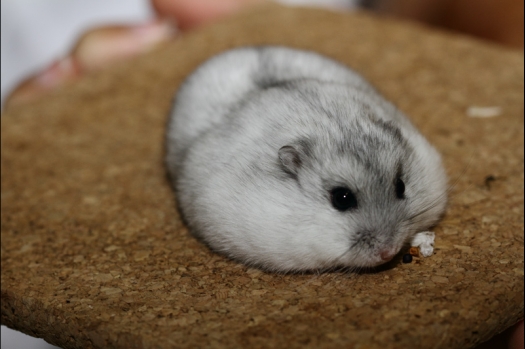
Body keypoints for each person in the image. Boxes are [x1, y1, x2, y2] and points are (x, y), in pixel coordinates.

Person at [2, 1, 523, 349]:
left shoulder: (381, 119)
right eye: (342, 198)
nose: (386, 241)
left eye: (399, 189)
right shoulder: (231, 175)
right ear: (288, 167)